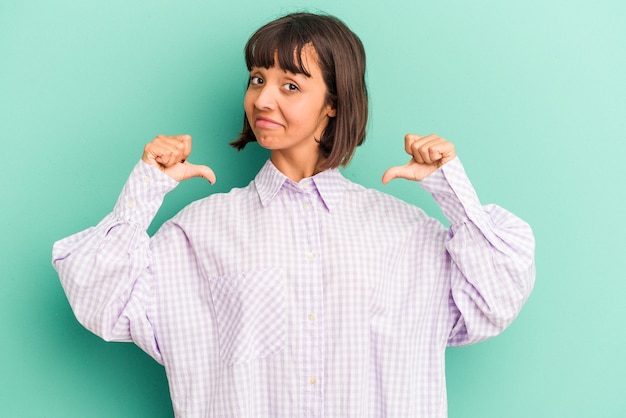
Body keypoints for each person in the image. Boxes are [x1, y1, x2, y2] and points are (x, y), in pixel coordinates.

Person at [52, 12, 535, 418]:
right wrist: (146, 189)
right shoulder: (198, 233)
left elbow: (494, 302)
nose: (263, 99)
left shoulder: (409, 235)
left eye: (290, 85)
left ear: (333, 103)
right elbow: (102, 303)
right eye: (258, 79)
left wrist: (451, 190)